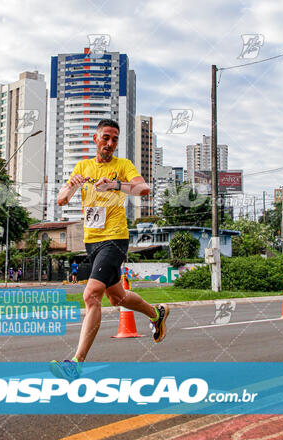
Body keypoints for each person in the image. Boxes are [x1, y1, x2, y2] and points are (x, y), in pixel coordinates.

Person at [50, 119, 170, 381]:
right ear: (96, 139)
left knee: (91, 295)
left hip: (115, 238)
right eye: (105, 138)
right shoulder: (83, 167)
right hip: (92, 241)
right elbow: (61, 199)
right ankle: (156, 313)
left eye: (114, 139)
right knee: (117, 298)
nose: (110, 143)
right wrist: (72, 185)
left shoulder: (123, 166)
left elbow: (143, 189)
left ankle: (75, 363)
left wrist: (116, 185)